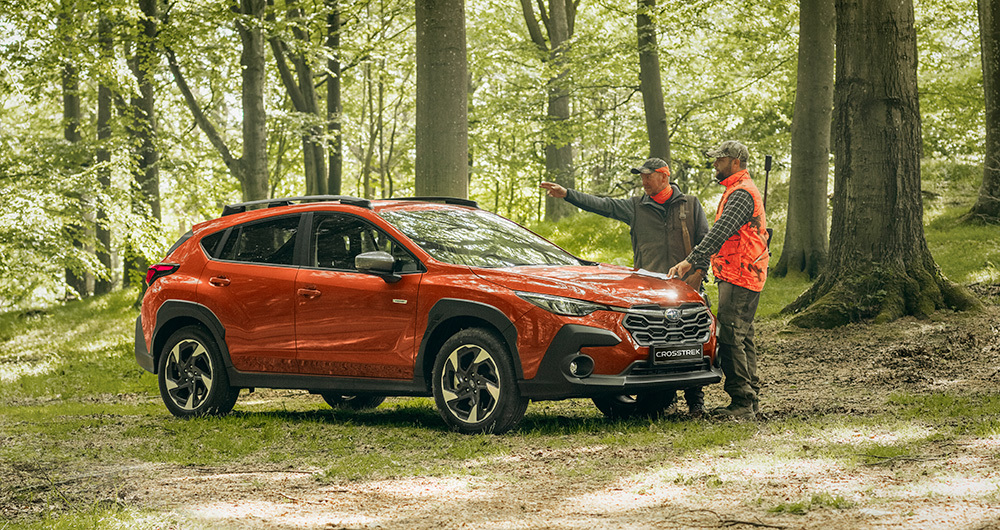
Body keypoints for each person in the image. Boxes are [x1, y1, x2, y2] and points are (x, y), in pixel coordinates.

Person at [540, 157, 711, 417]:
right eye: (641, 176)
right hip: (649, 291)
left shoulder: (690, 204)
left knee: (693, 344)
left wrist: (698, 274)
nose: (643, 181)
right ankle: (663, 399)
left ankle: (696, 401)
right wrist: (568, 195)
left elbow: (705, 242)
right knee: (657, 345)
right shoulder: (635, 207)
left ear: (664, 176)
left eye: (648, 176)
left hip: (687, 288)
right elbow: (603, 205)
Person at [668, 140, 769, 421]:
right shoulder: (738, 191)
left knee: (731, 336)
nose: (714, 163)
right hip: (743, 272)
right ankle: (749, 397)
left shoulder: (740, 194)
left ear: (735, 162)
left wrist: (692, 259)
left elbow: (720, 232)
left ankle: (742, 402)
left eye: (719, 159)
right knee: (743, 335)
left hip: (741, 273)